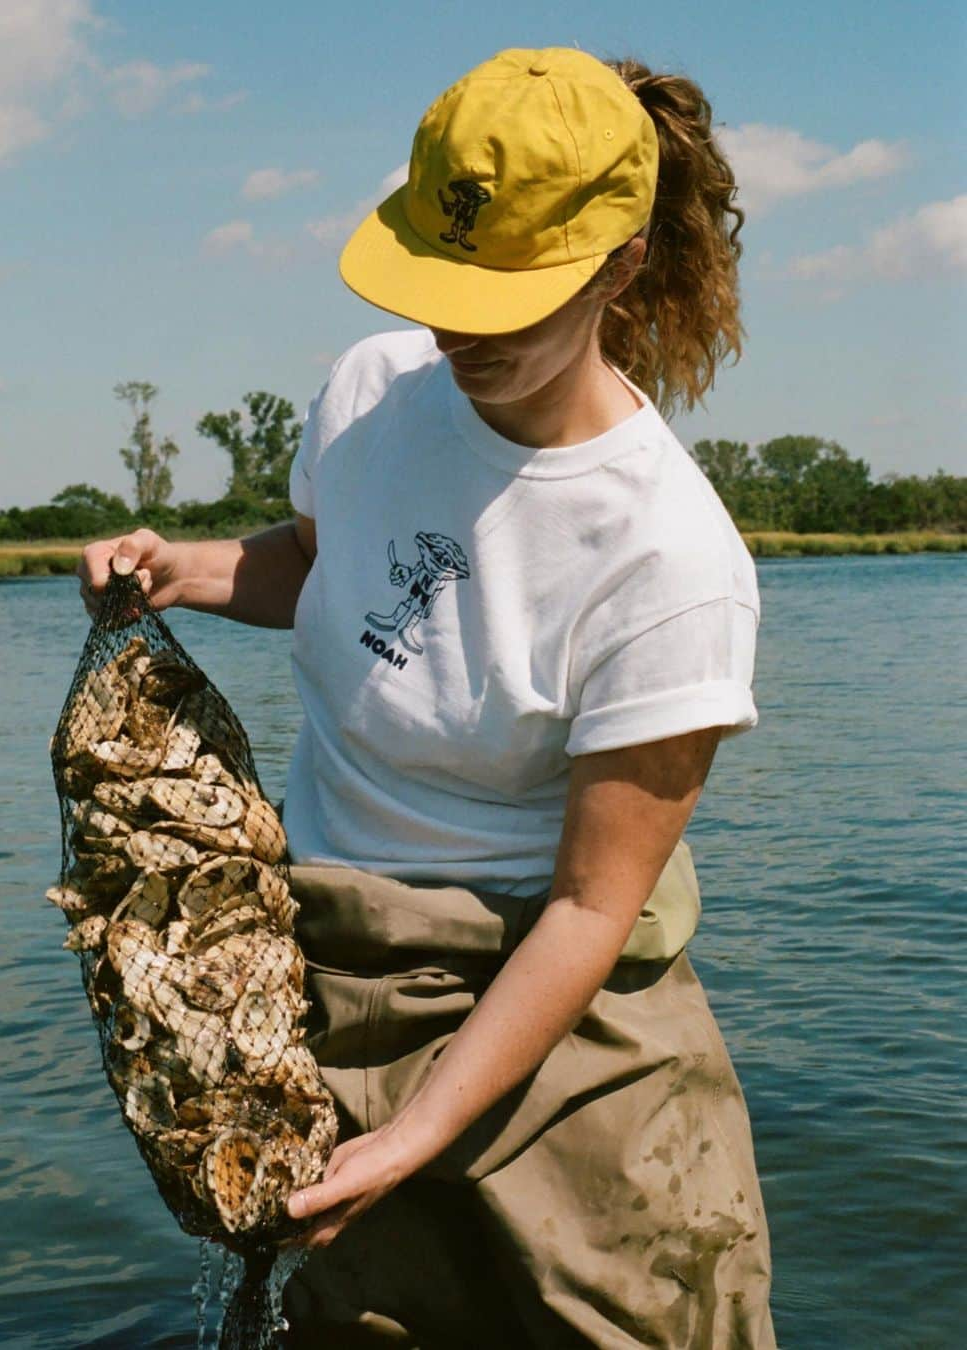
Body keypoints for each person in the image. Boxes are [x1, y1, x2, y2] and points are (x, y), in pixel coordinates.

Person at [81, 47, 775, 1349]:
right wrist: (182, 566)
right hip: (324, 970)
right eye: (441, 290)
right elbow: (323, 563)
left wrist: (415, 1132)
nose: (459, 331)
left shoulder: (672, 561)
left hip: (556, 1024)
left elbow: (586, 907)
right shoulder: (370, 392)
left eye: (504, 300)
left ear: (620, 265)